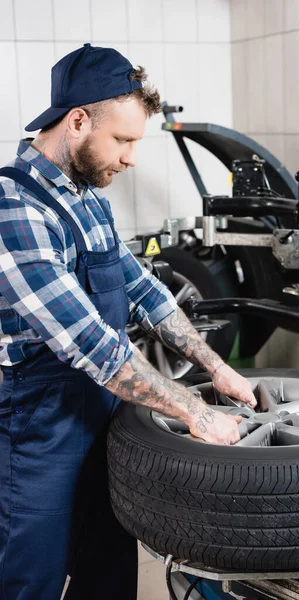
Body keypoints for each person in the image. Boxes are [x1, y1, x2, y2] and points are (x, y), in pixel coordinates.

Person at [0, 43, 257, 600]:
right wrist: (194, 411)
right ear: (76, 122)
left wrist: (216, 368)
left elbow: (143, 290)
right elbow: (93, 344)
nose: (132, 157)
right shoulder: (15, 207)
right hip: (39, 434)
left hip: (107, 419)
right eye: (124, 140)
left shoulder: (88, 199)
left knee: (110, 568)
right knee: (32, 577)